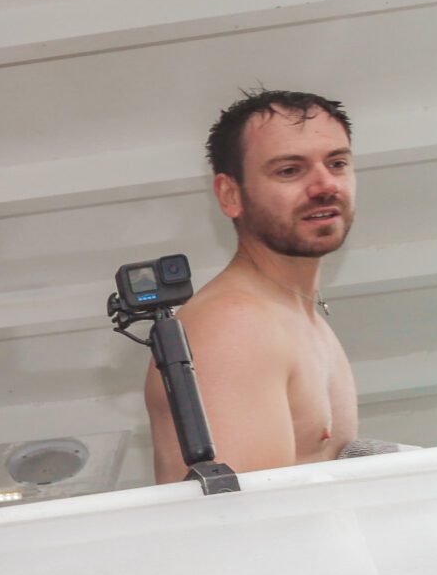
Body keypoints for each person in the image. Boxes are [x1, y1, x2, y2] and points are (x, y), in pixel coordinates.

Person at [145, 90, 359, 480]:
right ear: (231, 195)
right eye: (290, 170)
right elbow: (246, 514)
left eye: (337, 163)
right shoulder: (234, 327)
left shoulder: (298, 315)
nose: (325, 185)